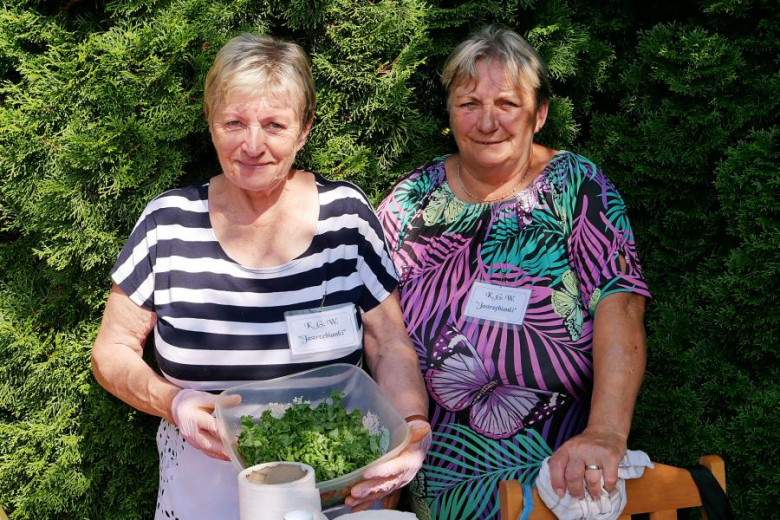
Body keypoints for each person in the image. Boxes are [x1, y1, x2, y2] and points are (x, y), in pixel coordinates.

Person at [91, 33, 430, 520]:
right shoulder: (167, 222)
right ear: (211, 124)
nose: (253, 144)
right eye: (234, 122)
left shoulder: (345, 218)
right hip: (204, 488)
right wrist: (174, 402)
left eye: (274, 124)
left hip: (338, 491)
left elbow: (388, 341)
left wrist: (411, 430)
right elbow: (112, 351)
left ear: (304, 129)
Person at [377, 25, 651, 519]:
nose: (487, 122)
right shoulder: (410, 200)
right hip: (430, 483)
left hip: (555, 482)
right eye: (468, 104)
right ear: (450, 113)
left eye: (506, 103)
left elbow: (621, 302)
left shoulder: (576, 186)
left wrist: (607, 432)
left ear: (539, 114)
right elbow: (376, 329)